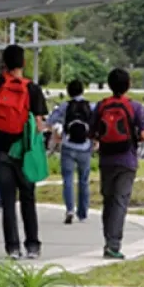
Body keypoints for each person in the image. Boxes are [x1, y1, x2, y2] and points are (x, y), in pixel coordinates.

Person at [0, 45, 48, 260]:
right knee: (28, 198)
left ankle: (12, 247)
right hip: (25, 153)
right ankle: (33, 245)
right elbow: (38, 125)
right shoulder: (32, 89)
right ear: (23, 63)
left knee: (8, 201)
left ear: (4, 62)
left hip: (1, 150)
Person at [92, 69, 144, 260]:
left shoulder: (101, 106)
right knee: (120, 201)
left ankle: (108, 240)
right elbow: (143, 135)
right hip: (127, 160)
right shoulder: (135, 107)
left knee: (108, 200)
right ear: (128, 84)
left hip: (106, 159)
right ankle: (113, 245)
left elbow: (93, 132)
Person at [47, 80, 94, 224]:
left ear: (68, 92)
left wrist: (56, 130)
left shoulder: (65, 106)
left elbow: (50, 121)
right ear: (82, 91)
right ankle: (83, 213)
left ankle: (69, 210)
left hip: (68, 145)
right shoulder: (90, 106)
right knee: (83, 180)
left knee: (68, 178)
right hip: (85, 147)